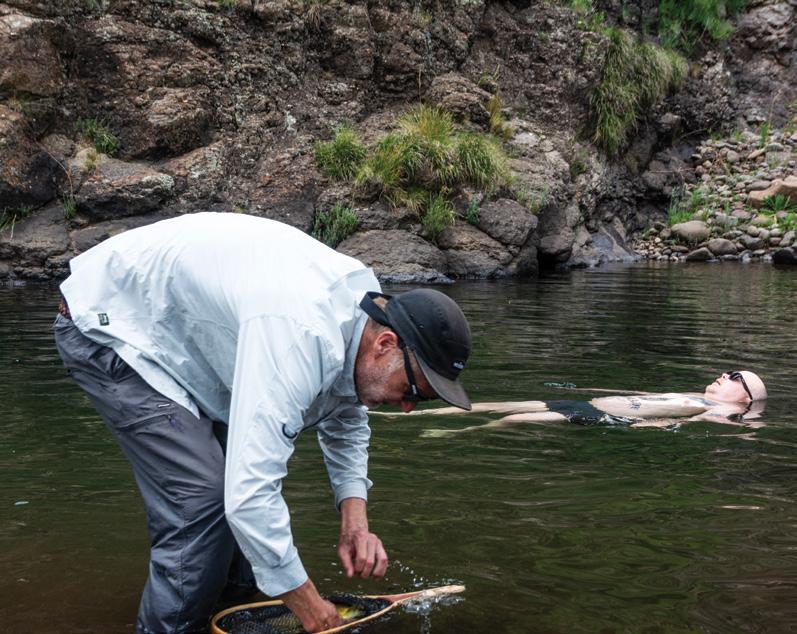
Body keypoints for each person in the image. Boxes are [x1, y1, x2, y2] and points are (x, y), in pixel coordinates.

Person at [53, 212, 472, 634]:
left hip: (187, 334)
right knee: (202, 499)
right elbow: (249, 496)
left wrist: (354, 521)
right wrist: (308, 605)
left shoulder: (364, 321)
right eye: (413, 390)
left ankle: (226, 609)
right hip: (115, 323)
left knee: (234, 509)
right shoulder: (299, 337)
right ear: (386, 344)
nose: (408, 408)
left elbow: (346, 412)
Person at [414, 371, 767, 435]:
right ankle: (402, 418)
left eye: (735, 376)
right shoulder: (693, 394)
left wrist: (648, 426)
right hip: (589, 402)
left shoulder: (724, 411)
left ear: (746, 397)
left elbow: (686, 422)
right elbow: (641, 395)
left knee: (513, 419)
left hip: (602, 418)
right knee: (495, 404)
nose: (724, 374)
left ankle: (454, 434)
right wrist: (594, 387)